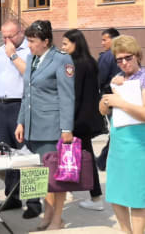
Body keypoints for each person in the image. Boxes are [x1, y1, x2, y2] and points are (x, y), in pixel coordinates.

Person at [15, 20, 75, 231]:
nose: (28, 45)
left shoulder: (62, 60)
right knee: (44, 175)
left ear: (46, 41)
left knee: (57, 177)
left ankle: (57, 219)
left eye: (32, 41)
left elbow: (67, 97)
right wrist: (21, 121)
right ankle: (48, 213)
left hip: (51, 128)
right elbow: (27, 94)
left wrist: (67, 129)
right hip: (33, 127)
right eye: (28, 40)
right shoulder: (32, 59)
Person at [0, 18, 41, 219]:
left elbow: (32, 77)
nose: (7, 39)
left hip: (24, 105)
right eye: (4, 36)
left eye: (11, 35)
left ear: (21, 32)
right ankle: (12, 196)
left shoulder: (31, 50)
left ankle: (34, 201)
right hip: (4, 107)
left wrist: (14, 55)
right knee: (6, 152)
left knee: (28, 153)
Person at [99, 35, 145, 234]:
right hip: (118, 143)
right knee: (116, 195)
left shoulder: (143, 78)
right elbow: (104, 110)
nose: (124, 63)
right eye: (119, 60)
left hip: (138, 144)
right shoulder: (118, 79)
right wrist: (105, 102)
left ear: (137, 55)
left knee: (136, 197)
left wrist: (121, 103)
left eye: (128, 58)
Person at [61, 29, 104, 211]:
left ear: (75, 44)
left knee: (76, 157)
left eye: (65, 44)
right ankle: (88, 195)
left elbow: (74, 95)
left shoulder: (76, 64)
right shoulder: (90, 62)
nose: (62, 47)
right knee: (81, 157)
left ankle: (94, 198)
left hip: (77, 120)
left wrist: (66, 123)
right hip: (87, 119)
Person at [96, 28, 121, 172]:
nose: (102, 42)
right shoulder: (119, 54)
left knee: (116, 132)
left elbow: (100, 79)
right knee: (117, 132)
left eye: (105, 39)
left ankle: (102, 160)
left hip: (110, 98)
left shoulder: (107, 56)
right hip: (117, 100)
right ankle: (103, 160)